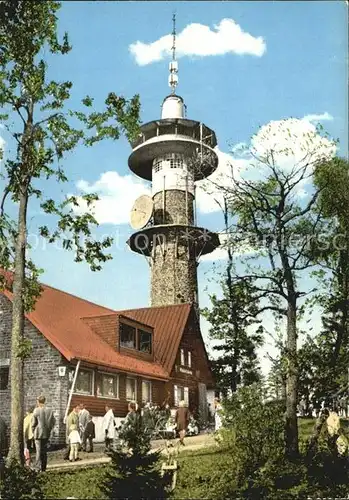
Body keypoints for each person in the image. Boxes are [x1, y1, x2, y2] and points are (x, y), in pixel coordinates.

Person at [31, 395, 55, 472]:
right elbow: (53, 422)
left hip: (38, 434)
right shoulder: (50, 410)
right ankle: (43, 467)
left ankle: (37, 467)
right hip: (46, 433)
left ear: (38, 401)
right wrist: (49, 429)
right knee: (44, 451)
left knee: (38, 451)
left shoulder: (36, 410)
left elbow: (33, 423)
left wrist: (33, 430)